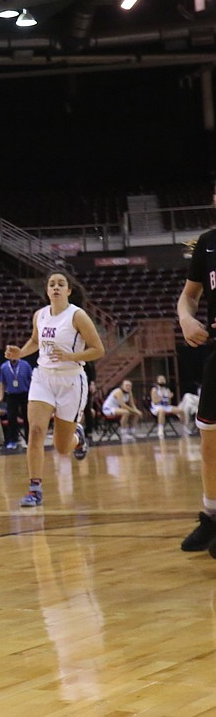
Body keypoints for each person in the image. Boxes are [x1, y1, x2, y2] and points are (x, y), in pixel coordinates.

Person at [5, 272, 105, 508]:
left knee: (62, 448)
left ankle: (77, 437)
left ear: (69, 290)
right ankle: (34, 489)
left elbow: (98, 349)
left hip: (71, 381)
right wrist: (20, 352)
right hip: (43, 378)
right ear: (47, 291)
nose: (56, 287)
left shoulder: (77, 316)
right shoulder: (39, 315)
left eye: (61, 284)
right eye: (52, 284)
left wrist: (71, 356)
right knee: (36, 431)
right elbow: (35, 341)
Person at [178, 217, 216, 555]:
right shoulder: (208, 242)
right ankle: (212, 517)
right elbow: (189, 296)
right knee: (209, 442)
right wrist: (187, 319)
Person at [0, 354, 32, 448]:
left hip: (25, 393)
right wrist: (1, 396)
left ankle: (29, 440)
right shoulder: (4, 367)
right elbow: (2, 382)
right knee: (11, 418)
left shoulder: (25, 365)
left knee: (27, 417)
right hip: (11, 395)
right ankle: (13, 440)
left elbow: (32, 379)